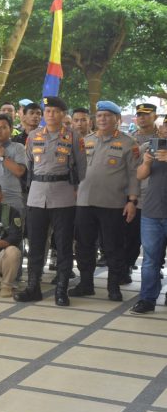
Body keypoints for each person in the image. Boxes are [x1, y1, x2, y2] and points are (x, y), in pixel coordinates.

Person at [14, 97, 86, 307]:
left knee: (63, 245)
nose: (50, 115)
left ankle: (61, 290)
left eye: (55, 111)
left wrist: (76, 191)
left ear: (63, 114)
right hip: (37, 195)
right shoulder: (33, 136)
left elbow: (82, 168)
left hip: (63, 195)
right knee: (35, 245)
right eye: (47, 111)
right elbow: (29, 164)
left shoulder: (73, 137)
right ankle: (33, 287)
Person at [69, 101, 139, 302]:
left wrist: (132, 201)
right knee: (84, 246)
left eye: (107, 116)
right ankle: (86, 284)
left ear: (117, 119)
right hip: (84, 203)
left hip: (113, 204)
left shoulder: (128, 143)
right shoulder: (85, 140)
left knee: (113, 247)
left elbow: (134, 175)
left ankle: (113, 287)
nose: (102, 119)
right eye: (99, 116)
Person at [130, 120, 167, 314]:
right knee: (150, 259)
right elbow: (140, 175)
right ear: (161, 129)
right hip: (152, 212)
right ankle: (147, 299)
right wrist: (146, 162)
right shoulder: (151, 147)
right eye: (166, 126)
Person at [124, 103, 161, 282]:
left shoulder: (161, 137)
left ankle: (156, 267)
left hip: (156, 195)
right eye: (139, 114)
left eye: (146, 114)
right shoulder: (129, 139)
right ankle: (127, 265)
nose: (142, 117)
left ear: (155, 116)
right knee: (131, 235)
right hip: (135, 193)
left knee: (155, 240)